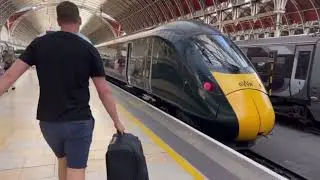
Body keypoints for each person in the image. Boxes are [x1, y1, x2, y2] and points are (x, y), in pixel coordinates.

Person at [0, 1, 125, 180]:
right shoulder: (88, 50)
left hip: (49, 124)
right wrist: (117, 121)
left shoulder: (39, 44)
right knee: (76, 170)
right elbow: (104, 91)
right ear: (79, 20)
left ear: (58, 21)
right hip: (78, 123)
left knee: (63, 160)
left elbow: (9, 77)